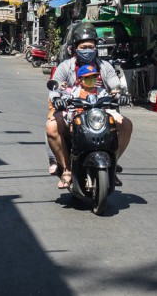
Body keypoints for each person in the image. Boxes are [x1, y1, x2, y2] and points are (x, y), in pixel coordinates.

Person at [47, 22, 132, 189]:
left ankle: (112, 166)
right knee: (51, 128)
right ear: (75, 48)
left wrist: (120, 95)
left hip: (101, 111)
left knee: (127, 125)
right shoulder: (66, 66)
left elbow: (115, 85)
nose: (87, 50)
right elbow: (55, 85)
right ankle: (67, 169)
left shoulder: (105, 66)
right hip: (72, 109)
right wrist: (57, 97)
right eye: (83, 47)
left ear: (96, 47)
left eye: (90, 47)